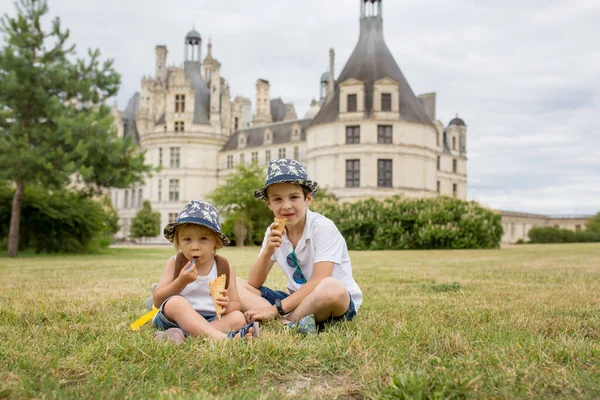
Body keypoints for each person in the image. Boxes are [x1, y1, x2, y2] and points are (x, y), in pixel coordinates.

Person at [238, 159, 362, 333]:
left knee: (331, 288)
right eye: (277, 199)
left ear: (308, 198)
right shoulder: (273, 231)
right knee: (235, 284)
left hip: (331, 301)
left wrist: (274, 310)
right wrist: (267, 251)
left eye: (294, 197)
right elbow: (253, 283)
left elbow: (320, 280)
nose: (286, 205)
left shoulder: (323, 228)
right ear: (269, 204)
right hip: (296, 301)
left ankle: (282, 321)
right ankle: (293, 323)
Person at [152, 200, 258, 342]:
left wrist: (226, 306)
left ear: (216, 242)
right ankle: (223, 339)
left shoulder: (224, 266)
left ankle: (186, 335)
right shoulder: (175, 263)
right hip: (176, 319)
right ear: (178, 241)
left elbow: (235, 303)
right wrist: (180, 282)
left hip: (212, 318)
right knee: (176, 302)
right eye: (187, 239)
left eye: (203, 239)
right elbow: (158, 301)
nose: (194, 246)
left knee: (238, 317)